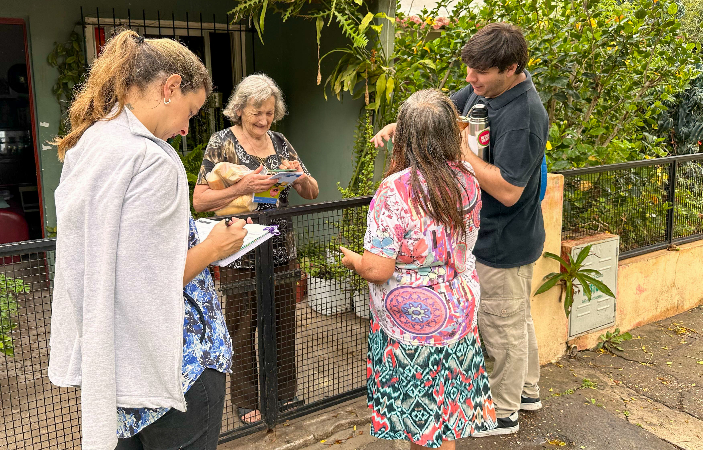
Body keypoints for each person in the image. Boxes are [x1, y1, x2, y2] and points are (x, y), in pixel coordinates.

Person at [49, 30, 250, 450]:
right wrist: (214, 248)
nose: (184, 129)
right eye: (190, 112)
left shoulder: (91, 144)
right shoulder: (152, 160)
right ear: (170, 87)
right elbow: (151, 283)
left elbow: (108, 252)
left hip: (116, 362)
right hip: (175, 365)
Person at [371, 22, 549, 437]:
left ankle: (504, 413)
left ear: (512, 68)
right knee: (515, 318)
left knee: (502, 325)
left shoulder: (523, 116)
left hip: (506, 240)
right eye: (469, 70)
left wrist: (464, 153)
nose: (470, 80)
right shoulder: (481, 91)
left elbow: (507, 190)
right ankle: (526, 390)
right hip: (488, 235)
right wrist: (403, 128)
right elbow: (440, 117)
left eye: (480, 73)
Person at [341, 89, 496, 450]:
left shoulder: (394, 190)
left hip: (411, 326)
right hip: (458, 313)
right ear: (451, 133)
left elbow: (378, 268)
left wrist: (354, 261)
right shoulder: (468, 179)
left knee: (422, 426)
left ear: (405, 135)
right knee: (443, 420)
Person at [192, 73, 319, 425]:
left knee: (283, 325)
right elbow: (200, 201)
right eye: (256, 113)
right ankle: (246, 400)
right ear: (239, 110)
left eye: (269, 112)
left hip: (281, 250)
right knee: (242, 326)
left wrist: (301, 176)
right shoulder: (222, 143)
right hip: (239, 250)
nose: (264, 120)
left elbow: (312, 192)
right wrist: (243, 186)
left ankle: (284, 393)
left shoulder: (280, 142)